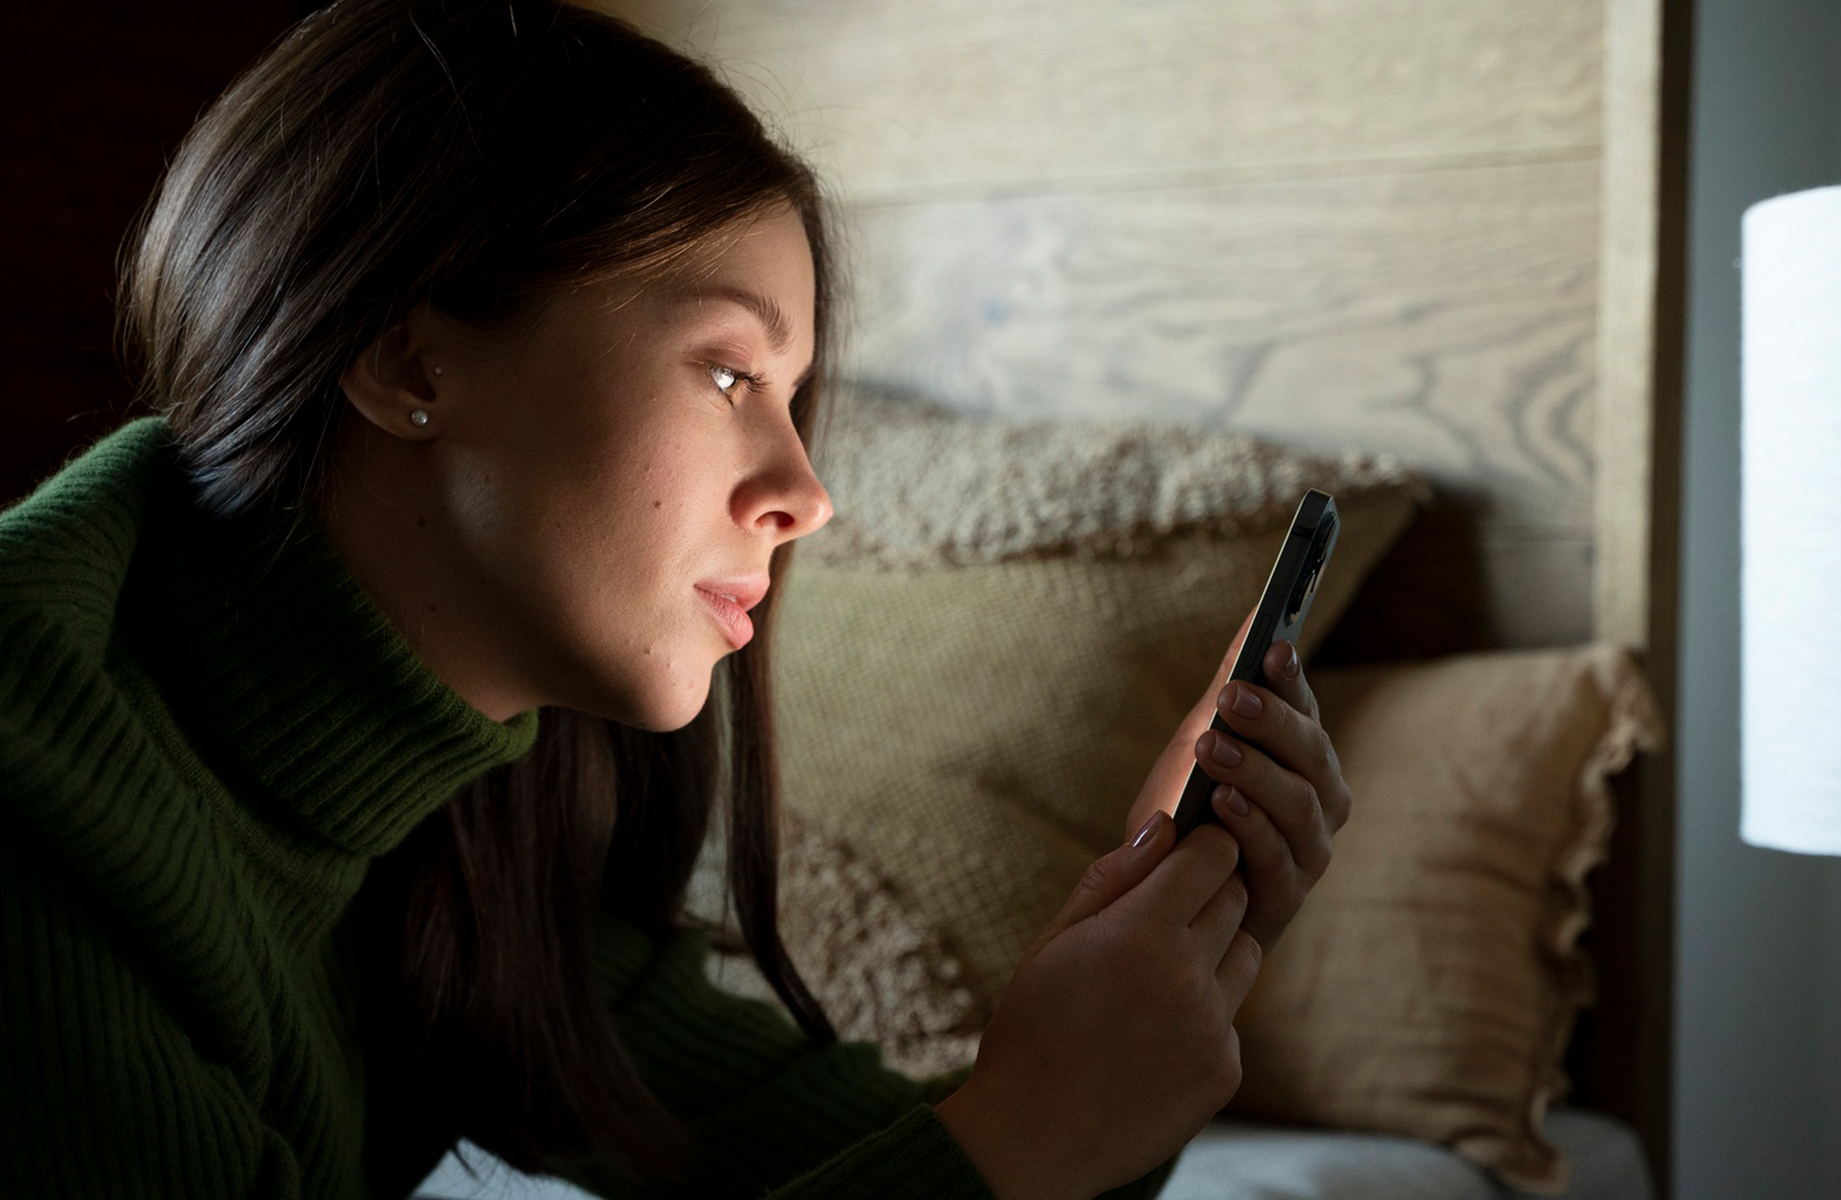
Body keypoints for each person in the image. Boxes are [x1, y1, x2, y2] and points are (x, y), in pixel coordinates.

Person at [0, 1, 1354, 1197]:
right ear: (408, 355)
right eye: (727, 374)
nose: (807, 494)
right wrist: (1027, 1137)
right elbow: (992, 1159)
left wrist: (1143, 974)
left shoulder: (459, 821)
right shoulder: (40, 812)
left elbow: (903, 1157)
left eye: (792, 396)